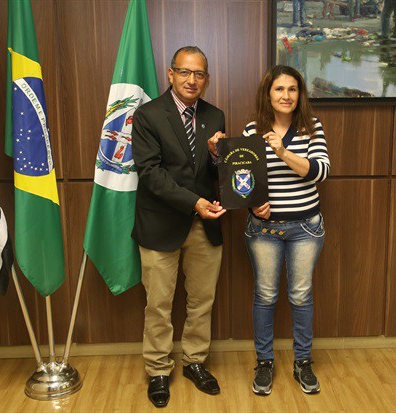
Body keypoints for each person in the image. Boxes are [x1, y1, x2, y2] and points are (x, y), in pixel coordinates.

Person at [131, 46, 226, 408]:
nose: (191, 80)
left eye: (199, 74)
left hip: (204, 225)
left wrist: (217, 156)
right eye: (184, 72)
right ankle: (158, 370)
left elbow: (217, 173)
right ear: (170, 74)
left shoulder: (215, 116)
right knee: (158, 303)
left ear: (207, 79)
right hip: (160, 225)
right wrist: (194, 202)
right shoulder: (148, 115)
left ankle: (195, 362)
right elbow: (150, 173)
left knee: (202, 301)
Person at [241, 66, 330, 395]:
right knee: (265, 296)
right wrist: (253, 205)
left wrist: (281, 151)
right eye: (279, 89)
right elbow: (243, 179)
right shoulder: (253, 129)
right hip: (264, 230)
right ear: (268, 94)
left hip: (306, 228)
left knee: (301, 295)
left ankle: (302, 361)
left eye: (292, 89)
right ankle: (264, 362)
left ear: (299, 94)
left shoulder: (312, 126)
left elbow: (320, 171)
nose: (286, 95)